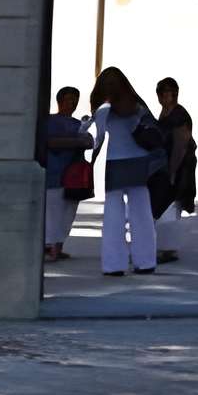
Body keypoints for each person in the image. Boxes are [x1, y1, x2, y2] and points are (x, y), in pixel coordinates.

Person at [87, 67, 161, 276]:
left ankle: (114, 264)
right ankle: (145, 261)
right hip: (139, 162)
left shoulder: (103, 110)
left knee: (113, 217)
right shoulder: (137, 105)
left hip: (115, 163)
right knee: (142, 214)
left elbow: (96, 139)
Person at [37, 87, 91, 262]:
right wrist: (77, 141)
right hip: (54, 175)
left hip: (74, 178)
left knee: (68, 214)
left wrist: (80, 140)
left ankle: (58, 247)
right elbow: (51, 142)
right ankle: (49, 247)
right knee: (53, 214)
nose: (72, 103)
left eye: (75, 99)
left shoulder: (77, 124)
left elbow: (90, 141)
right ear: (59, 101)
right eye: (68, 99)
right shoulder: (50, 121)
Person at [150, 76, 198, 264]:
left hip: (179, 166)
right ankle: (165, 247)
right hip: (167, 165)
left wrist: (172, 171)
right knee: (165, 206)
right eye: (162, 93)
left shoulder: (179, 115)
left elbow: (181, 145)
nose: (164, 97)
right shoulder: (166, 112)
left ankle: (168, 249)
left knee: (171, 206)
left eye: (168, 93)